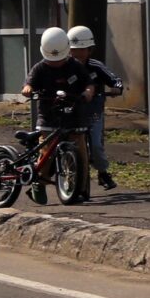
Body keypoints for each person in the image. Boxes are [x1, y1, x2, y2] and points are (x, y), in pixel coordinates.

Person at [20, 26, 96, 205]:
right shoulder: (39, 68)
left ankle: (80, 187)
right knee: (47, 152)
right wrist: (28, 90)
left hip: (74, 115)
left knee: (81, 152)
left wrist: (87, 93)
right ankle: (39, 183)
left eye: (59, 59)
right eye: (51, 59)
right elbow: (28, 84)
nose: (55, 62)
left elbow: (89, 84)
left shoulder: (75, 66)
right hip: (48, 116)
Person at [68, 25, 123, 191]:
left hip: (93, 111)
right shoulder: (64, 67)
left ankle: (102, 172)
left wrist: (116, 87)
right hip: (71, 111)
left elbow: (115, 80)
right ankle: (69, 175)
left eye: (83, 50)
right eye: (74, 50)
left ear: (90, 50)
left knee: (96, 144)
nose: (78, 54)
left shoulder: (95, 66)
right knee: (67, 143)